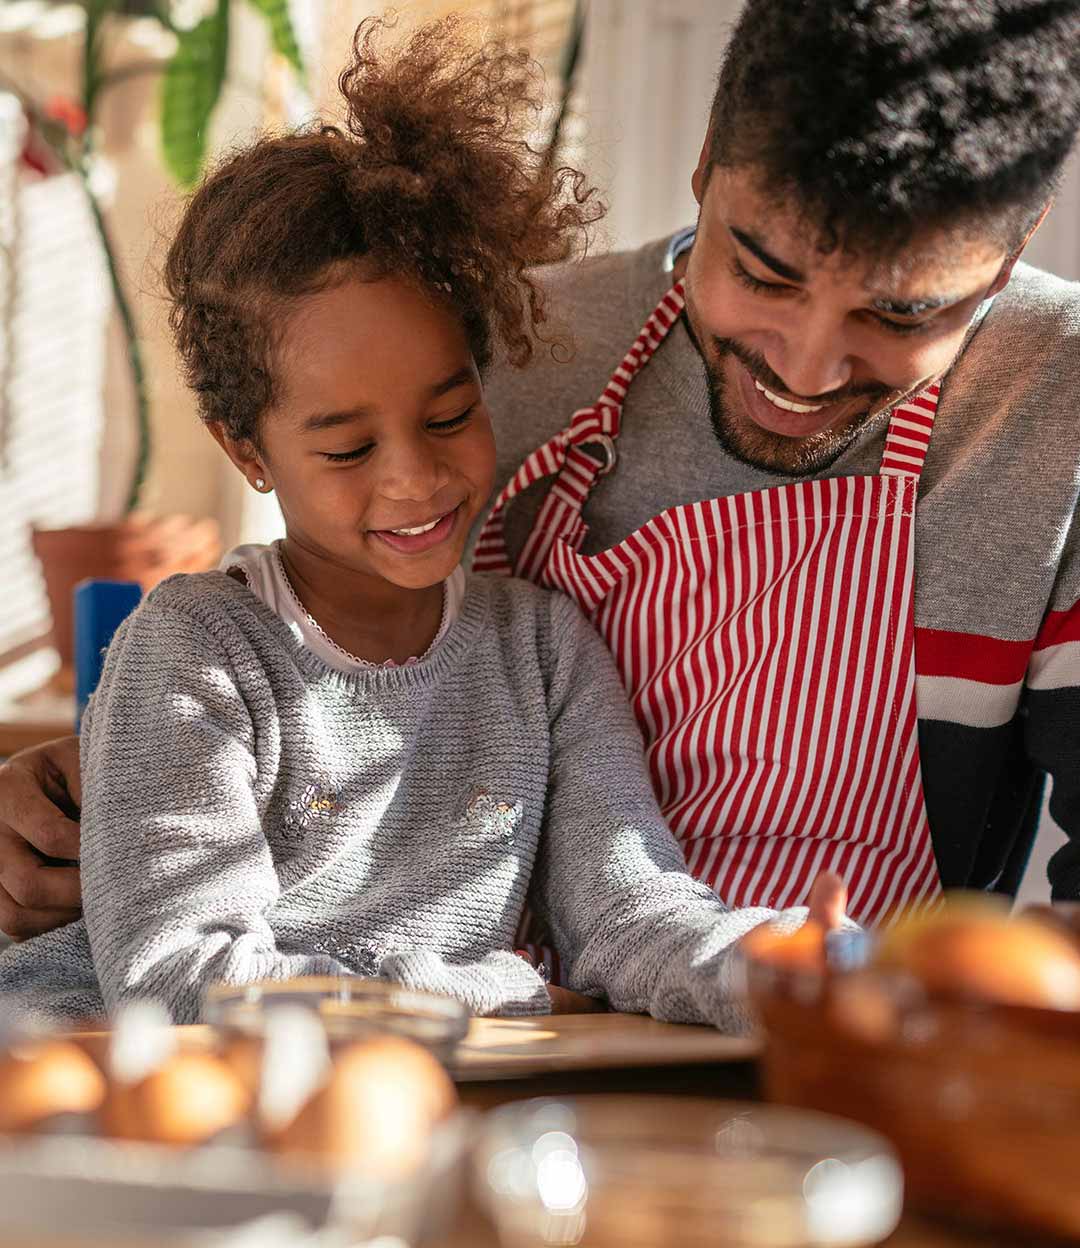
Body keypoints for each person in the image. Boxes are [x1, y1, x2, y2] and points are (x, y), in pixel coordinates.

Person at [2, 0, 1079, 943]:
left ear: (1019, 236)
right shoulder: (488, 349)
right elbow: (315, 667)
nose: (801, 367)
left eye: (901, 313)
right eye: (761, 270)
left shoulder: (1057, 404)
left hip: (836, 1055)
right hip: (482, 1052)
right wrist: (79, 796)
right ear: (705, 159)